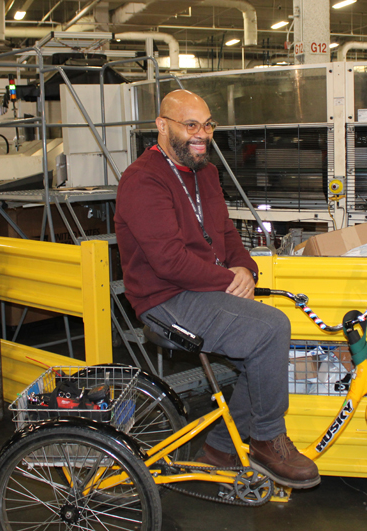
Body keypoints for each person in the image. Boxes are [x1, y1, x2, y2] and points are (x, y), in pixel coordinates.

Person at [114, 89, 320, 489]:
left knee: (261, 359)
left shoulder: (205, 172)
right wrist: (229, 279)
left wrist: (245, 267)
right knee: (271, 329)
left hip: (204, 288)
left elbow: (225, 233)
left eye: (207, 125)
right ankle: (265, 438)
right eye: (190, 125)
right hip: (165, 298)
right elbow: (168, 261)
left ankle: (221, 450)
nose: (202, 135)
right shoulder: (142, 180)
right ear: (162, 125)